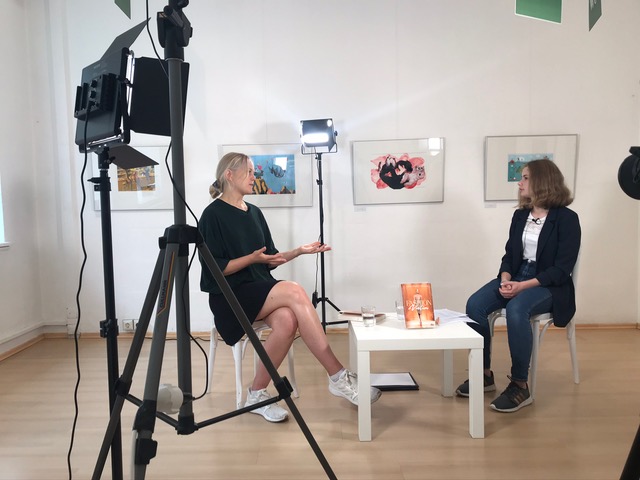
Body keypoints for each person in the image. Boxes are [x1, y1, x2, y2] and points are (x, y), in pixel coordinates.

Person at [199, 152, 381, 423]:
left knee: (286, 320)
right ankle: (338, 376)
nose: (254, 177)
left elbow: (270, 259)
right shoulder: (212, 215)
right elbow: (216, 269)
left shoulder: (255, 212)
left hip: (258, 290)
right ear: (229, 175)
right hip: (230, 297)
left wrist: (299, 251)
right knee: (294, 290)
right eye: (249, 172)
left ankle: (256, 395)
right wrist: (251, 259)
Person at [455, 159, 580, 413]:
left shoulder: (567, 219)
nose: (519, 183)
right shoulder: (521, 215)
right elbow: (510, 255)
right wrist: (505, 279)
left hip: (549, 284)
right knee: (475, 304)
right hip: (517, 276)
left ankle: (520, 385)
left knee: (516, 309)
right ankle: (484, 374)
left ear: (542, 181)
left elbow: (561, 270)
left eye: (525, 178)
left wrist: (522, 287)